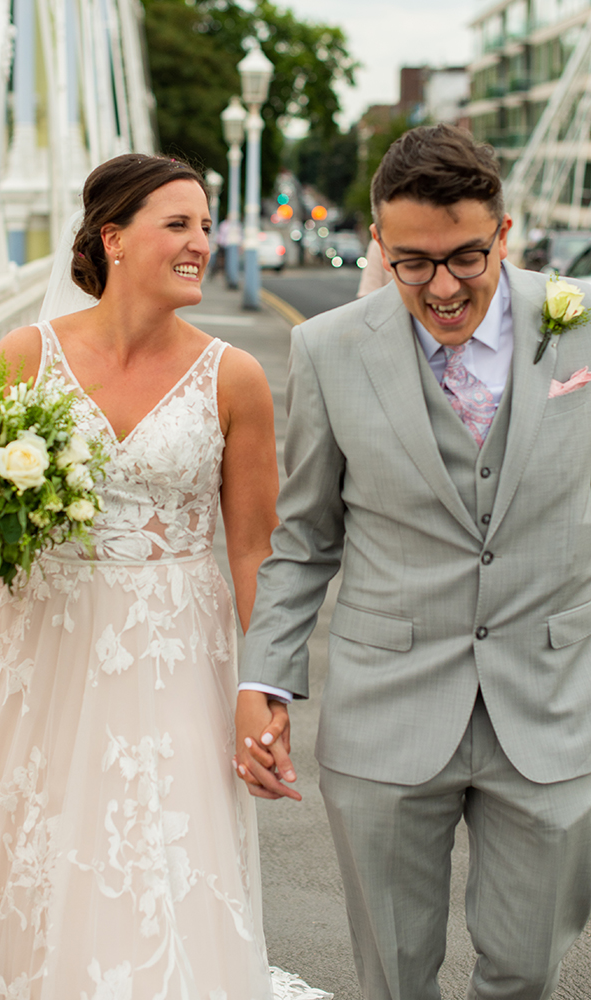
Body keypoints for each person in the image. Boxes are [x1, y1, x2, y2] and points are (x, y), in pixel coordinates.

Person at [0, 154, 328, 999]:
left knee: (154, 857)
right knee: (28, 847)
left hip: (173, 659)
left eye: (205, 227)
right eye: (178, 224)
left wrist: (266, 687)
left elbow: (254, 550)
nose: (200, 243)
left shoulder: (235, 378)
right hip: (39, 652)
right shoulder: (25, 355)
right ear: (114, 238)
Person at [235, 123, 591, 1000]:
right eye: (413, 263)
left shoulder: (582, 325)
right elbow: (305, 537)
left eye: (467, 258)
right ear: (379, 244)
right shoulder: (327, 348)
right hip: (386, 710)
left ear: (504, 234)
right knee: (393, 978)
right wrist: (264, 677)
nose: (442, 287)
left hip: (555, 708)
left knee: (527, 972)